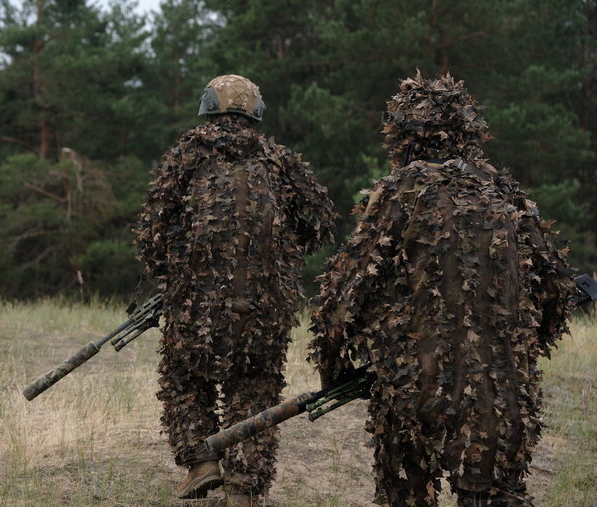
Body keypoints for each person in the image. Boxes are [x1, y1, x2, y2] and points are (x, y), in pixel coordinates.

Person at [308, 72, 573, 506]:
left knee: (407, 494)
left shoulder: (401, 190)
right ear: (468, 132)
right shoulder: (508, 194)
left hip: (411, 386)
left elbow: (344, 292)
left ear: (402, 136)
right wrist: (523, 348)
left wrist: (332, 365)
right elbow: (557, 288)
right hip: (501, 391)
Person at [136, 74, 335, 505]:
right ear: (256, 110)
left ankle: (202, 463)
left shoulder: (185, 156)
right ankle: (245, 486)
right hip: (266, 306)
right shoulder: (280, 160)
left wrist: (171, 272)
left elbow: (152, 233)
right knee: (256, 385)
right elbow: (319, 222)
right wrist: (282, 252)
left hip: (195, 304)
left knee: (185, 378)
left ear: (208, 104)